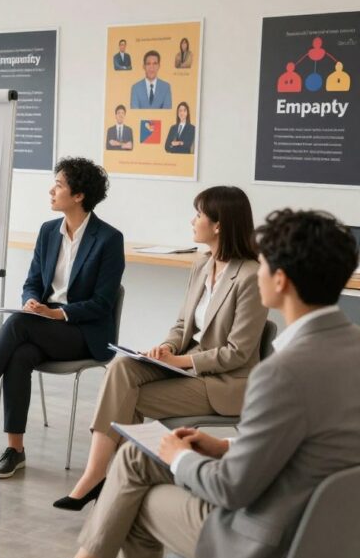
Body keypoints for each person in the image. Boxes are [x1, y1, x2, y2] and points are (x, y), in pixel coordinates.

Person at [31, 208, 360, 558]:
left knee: (136, 501)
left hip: (267, 539)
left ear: (279, 280)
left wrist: (180, 458)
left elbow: (230, 489)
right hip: (335, 533)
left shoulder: (281, 373)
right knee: (135, 457)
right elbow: (316, 445)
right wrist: (226, 446)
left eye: (264, 262)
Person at [55, 186, 266, 511]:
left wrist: (180, 360)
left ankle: (105, 481)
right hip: (187, 366)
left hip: (222, 384)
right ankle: (104, 479)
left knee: (126, 399)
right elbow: (183, 326)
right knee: (122, 367)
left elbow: (237, 352)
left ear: (219, 224)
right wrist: (163, 349)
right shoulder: (202, 265)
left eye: (198, 214)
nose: (192, 220)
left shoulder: (251, 276)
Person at [0, 157, 125, 477]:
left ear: (78, 196)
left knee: (18, 325)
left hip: (83, 334)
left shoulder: (109, 240)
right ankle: (15, 450)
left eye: (59, 185)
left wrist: (57, 313)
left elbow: (102, 304)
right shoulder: (48, 232)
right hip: (42, 328)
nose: (51, 190)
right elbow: (32, 282)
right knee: (20, 354)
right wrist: (32, 301)